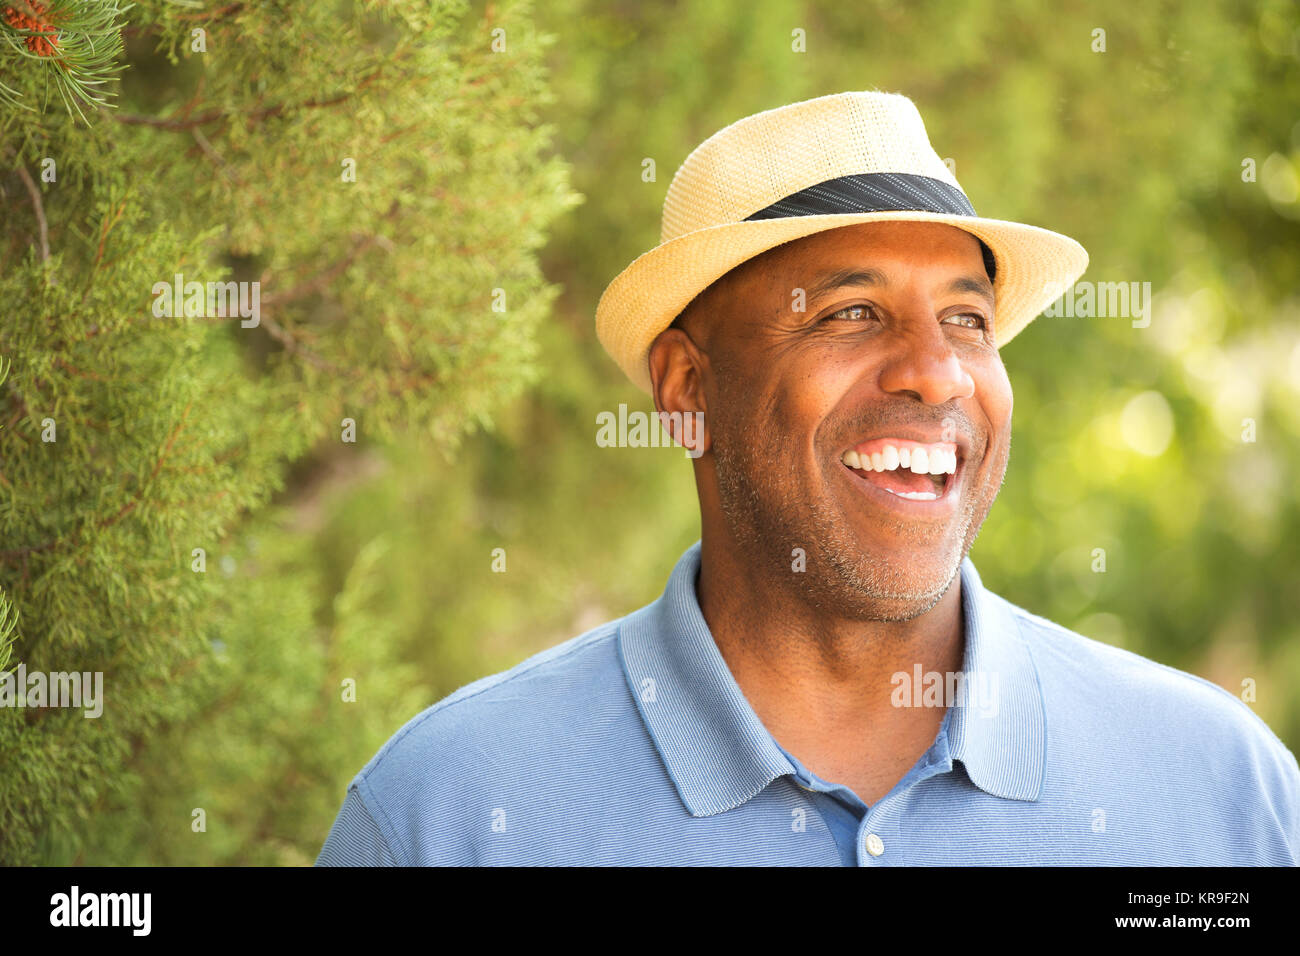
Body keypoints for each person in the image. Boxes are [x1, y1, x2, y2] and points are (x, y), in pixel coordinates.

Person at [317, 91, 1299, 866]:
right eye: (848, 313)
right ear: (687, 385)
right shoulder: (447, 813)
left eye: (966, 320)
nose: (937, 370)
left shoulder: (1225, 790)